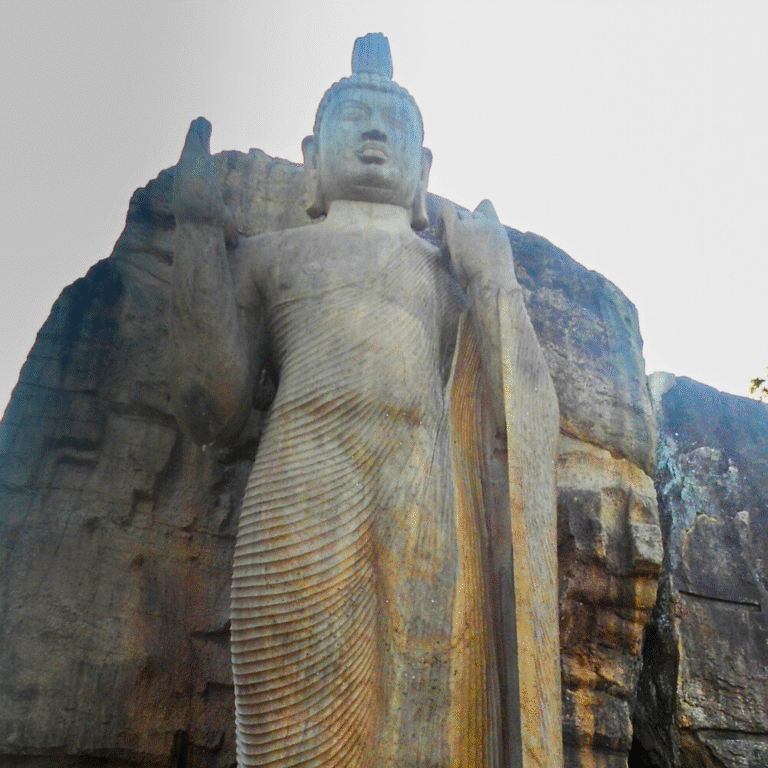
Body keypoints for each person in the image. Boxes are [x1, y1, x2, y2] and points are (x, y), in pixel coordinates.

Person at [168, 33, 562, 768]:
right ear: (313, 158)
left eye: (396, 123)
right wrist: (193, 232)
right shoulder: (271, 256)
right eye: (356, 118)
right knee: (288, 730)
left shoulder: (450, 272)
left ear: (424, 169)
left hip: (422, 495)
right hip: (302, 481)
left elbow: (526, 420)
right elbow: (209, 408)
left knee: (423, 722)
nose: (378, 132)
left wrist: (495, 283)